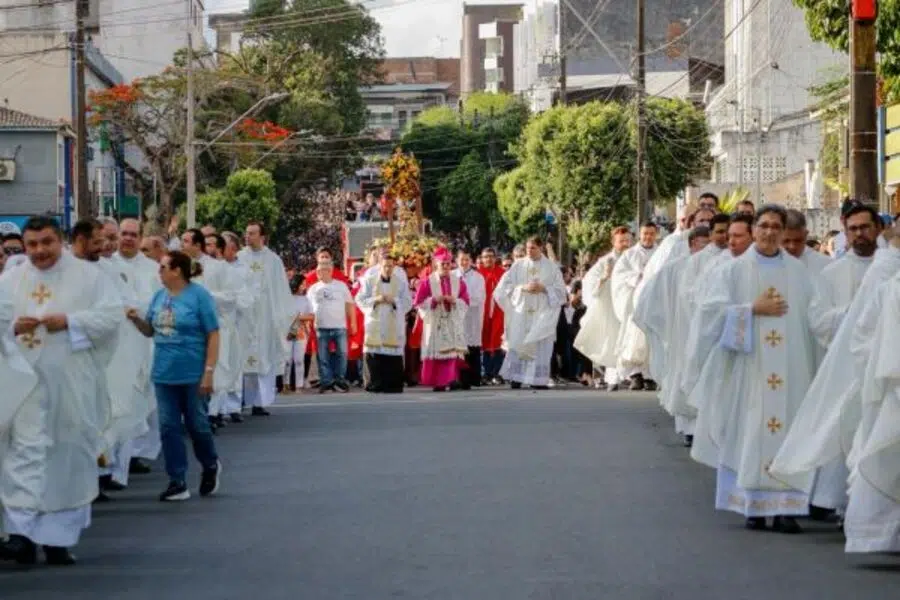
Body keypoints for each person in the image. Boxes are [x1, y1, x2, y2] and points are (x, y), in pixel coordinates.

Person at [686, 205, 838, 534]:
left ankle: (785, 509)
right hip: (748, 368)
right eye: (764, 225)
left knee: (788, 433)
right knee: (748, 429)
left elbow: (816, 317)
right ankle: (751, 506)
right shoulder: (733, 271)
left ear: (784, 232)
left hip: (792, 368)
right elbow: (709, 315)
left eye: (776, 227)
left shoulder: (799, 274)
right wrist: (750, 309)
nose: (770, 232)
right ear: (754, 229)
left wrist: (848, 319)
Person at [0, 216, 122, 566]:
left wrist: (70, 321)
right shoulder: (11, 280)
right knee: (23, 456)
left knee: (68, 455)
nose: (39, 251)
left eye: (47, 242)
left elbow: (111, 317)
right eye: (33, 244)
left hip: (70, 383)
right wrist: (10, 327)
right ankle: (21, 537)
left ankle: (58, 540)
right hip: (25, 387)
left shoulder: (91, 277)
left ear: (61, 241)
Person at [127, 250, 221, 503]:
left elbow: (213, 333)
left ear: (177, 270)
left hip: (193, 372)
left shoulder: (199, 296)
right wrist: (136, 320)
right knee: (168, 427)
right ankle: (177, 480)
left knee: (197, 425)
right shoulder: (159, 297)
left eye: (163, 267)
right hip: (164, 373)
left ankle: (210, 464)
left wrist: (209, 372)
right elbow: (150, 331)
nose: (159, 271)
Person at [633, 226, 710, 445]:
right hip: (682, 334)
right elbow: (650, 299)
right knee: (685, 376)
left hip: (707, 334)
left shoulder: (717, 267)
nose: (706, 251)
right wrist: (664, 327)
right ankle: (689, 428)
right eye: (703, 245)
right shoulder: (675, 269)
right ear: (692, 244)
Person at [494, 237, 567, 390]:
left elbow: (561, 293)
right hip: (521, 312)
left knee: (539, 345)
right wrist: (522, 288)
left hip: (542, 313)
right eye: (527, 248)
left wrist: (545, 289)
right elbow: (503, 288)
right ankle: (516, 377)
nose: (529, 251)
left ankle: (538, 380)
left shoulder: (551, 268)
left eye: (533, 248)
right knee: (519, 342)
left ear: (541, 248)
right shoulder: (518, 265)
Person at [239, 222, 294, 415]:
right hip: (245, 316)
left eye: (252, 233)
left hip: (265, 316)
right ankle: (240, 400)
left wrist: (283, 316)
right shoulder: (240, 258)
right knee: (243, 357)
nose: (248, 237)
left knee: (264, 357)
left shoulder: (273, 260)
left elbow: (280, 290)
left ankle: (260, 402)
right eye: (246, 233)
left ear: (262, 236)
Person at [574, 226, 632, 390]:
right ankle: (613, 378)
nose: (626, 244)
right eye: (622, 241)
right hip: (611, 306)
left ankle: (633, 376)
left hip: (629, 305)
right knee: (613, 340)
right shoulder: (606, 261)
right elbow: (588, 283)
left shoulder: (634, 257)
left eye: (628, 240)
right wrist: (605, 276)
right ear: (614, 242)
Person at [610, 221, 658, 391]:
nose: (648, 237)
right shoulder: (629, 255)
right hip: (635, 303)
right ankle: (635, 375)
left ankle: (651, 376)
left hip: (654, 303)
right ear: (640, 234)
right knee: (633, 339)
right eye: (645, 233)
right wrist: (638, 276)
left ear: (656, 235)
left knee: (652, 340)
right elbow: (619, 277)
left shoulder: (661, 253)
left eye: (651, 233)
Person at [356, 249, 412, 393]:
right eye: (385, 266)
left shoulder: (400, 282)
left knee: (392, 353)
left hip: (392, 321)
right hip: (375, 321)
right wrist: (376, 300)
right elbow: (359, 299)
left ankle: (392, 384)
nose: (387, 269)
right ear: (380, 265)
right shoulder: (370, 280)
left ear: (394, 267)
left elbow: (407, 302)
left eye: (390, 266)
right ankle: (374, 383)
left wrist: (394, 301)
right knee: (374, 352)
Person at [414, 247, 470, 392]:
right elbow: (419, 303)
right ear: (436, 264)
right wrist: (433, 300)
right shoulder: (427, 282)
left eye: (448, 263)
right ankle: (438, 381)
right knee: (439, 351)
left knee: (451, 351)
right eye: (442, 264)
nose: (446, 266)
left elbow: (466, 301)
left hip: (451, 320)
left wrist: (455, 301)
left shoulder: (458, 282)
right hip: (435, 321)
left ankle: (451, 380)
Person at [307, 259, 357, 393]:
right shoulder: (313, 289)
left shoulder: (341, 286)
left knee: (342, 354)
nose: (317, 273)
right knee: (323, 356)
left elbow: (349, 304)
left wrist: (353, 323)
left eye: (320, 270)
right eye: (317, 270)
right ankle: (326, 381)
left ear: (329, 271)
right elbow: (308, 308)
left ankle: (339, 380)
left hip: (340, 326)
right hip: (321, 327)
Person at [453, 250, 486, 390]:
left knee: (470, 347)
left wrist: (461, 301)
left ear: (471, 261)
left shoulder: (478, 277)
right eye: (462, 259)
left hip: (471, 316)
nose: (464, 262)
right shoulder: (451, 275)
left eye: (467, 259)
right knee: (455, 348)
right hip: (454, 316)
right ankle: (456, 379)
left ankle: (471, 379)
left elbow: (479, 298)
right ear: (456, 260)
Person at [478, 247, 506, 384]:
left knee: (498, 341)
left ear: (495, 258)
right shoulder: (478, 274)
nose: (488, 259)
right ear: (482, 259)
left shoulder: (503, 273)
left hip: (498, 312)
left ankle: (497, 373)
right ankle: (485, 373)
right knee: (483, 342)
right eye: (485, 257)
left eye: (491, 256)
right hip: (482, 312)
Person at [781, 209, 831, 274]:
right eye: (786, 241)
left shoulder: (826, 266)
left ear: (806, 235)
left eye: (798, 240)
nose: (792, 246)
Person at [285, 275, 312, 392]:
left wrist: (299, 317)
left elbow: (312, 316)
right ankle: (285, 385)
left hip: (300, 331)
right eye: (303, 283)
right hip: (287, 330)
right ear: (297, 284)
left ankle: (299, 386)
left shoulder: (306, 299)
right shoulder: (285, 299)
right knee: (287, 360)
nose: (305, 286)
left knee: (299, 359)